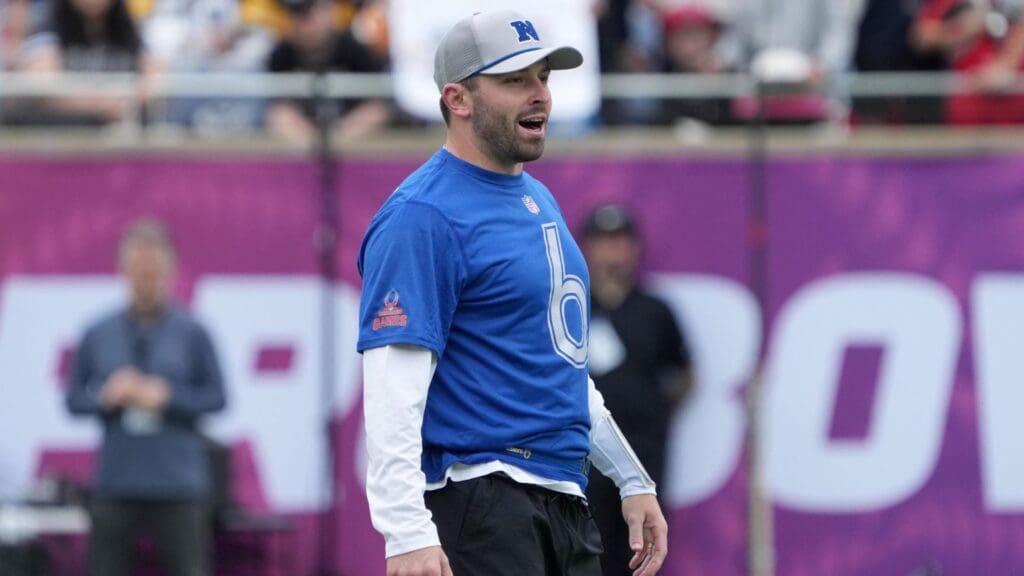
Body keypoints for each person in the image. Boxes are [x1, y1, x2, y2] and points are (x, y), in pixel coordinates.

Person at [357, 10, 668, 576]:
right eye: (514, 80)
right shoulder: (421, 216)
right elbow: (391, 387)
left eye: (544, 77)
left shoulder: (537, 200)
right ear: (458, 98)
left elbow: (561, 368)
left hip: (562, 498)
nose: (539, 95)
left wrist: (629, 477)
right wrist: (405, 532)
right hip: (483, 498)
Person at [66, 219, 227, 576]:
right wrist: (106, 398)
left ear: (170, 271)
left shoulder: (193, 331)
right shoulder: (98, 332)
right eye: (138, 270)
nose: (146, 280)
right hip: (115, 482)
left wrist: (168, 397)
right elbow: (73, 399)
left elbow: (218, 398)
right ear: (123, 271)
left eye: (154, 271)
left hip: (177, 484)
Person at [579, 204, 693, 576]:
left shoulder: (655, 310)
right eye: (603, 242)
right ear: (588, 248)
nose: (612, 251)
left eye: (620, 242)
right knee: (585, 547)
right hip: (583, 456)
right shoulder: (573, 307)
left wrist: (652, 411)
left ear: (634, 248)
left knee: (640, 550)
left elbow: (684, 373)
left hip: (643, 452)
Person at [13, 0, 160, 126]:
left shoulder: (127, 31)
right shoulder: (48, 26)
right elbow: (43, 85)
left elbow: (155, 77)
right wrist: (101, 105)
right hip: (60, 134)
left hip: (116, 136)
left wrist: (129, 102)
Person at [265, 0, 393, 145]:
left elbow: (378, 108)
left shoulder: (355, 50)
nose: (304, 23)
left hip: (355, 149)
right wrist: (311, 141)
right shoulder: (281, 55)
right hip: (299, 152)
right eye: (296, 14)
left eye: (310, 12)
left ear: (329, 10)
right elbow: (277, 112)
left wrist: (338, 138)